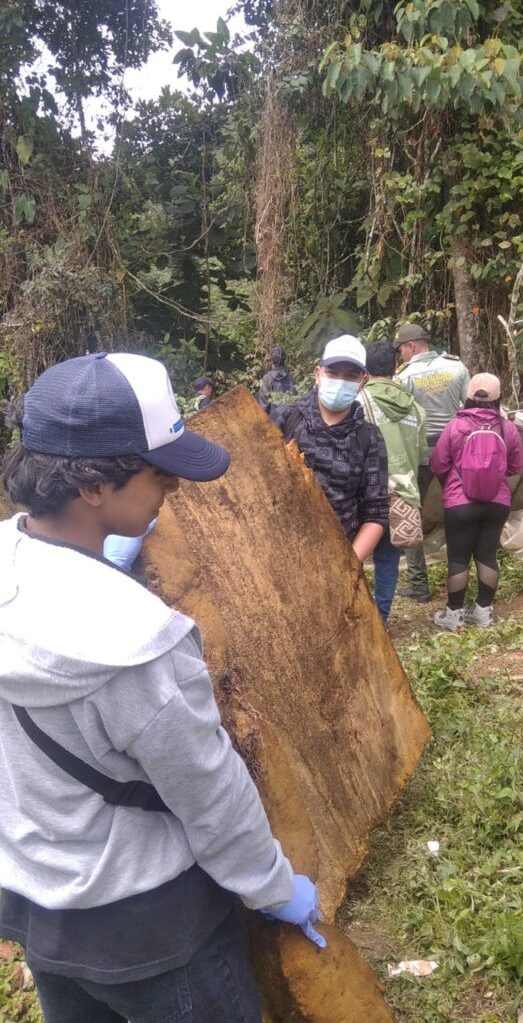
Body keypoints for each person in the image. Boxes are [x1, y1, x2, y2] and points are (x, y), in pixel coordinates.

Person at [0, 351, 325, 1023]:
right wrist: (271, 885)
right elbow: (209, 792)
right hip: (157, 930)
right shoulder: (138, 643)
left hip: (41, 914)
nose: (173, 490)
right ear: (92, 484)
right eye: (160, 474)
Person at [271, 335, 389, 561]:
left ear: (362, 381)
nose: (340, 381)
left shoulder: (369, 437)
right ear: (318, 374)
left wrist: (347, 567)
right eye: (333, 373)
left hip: (337, 556)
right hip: (278, 553)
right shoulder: (286, 418)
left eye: (351, 376)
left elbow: (376, 511)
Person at [430, 372, 523, 631]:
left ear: (468, 396)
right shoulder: (507, 428)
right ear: (498, 398)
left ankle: (454, 614)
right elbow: (516, 466)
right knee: (486, 554)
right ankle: (484, 612)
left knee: (458, 558)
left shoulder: (455, 426)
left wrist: (453, 482)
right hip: (497, 503)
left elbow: (438, 462)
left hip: (459, 502)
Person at [394, 322, 470, 603]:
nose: (401, 354)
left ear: (412, 346)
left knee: (411, 515)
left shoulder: (405, 377)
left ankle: (419, 586)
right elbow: (471, 408)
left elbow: (401, 418)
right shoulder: (456, 367)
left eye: (401, 349)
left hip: (422, 455)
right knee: (459, 512)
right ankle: (459, 583)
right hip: (455, 452)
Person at [359, 340, 427, 622]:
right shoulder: (416, 409)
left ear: (364, 369)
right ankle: (381, 618)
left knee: (355, 557)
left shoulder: (358, 403)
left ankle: (358, 616)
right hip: (404, 495)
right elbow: (421, 457)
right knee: (388, 559)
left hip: (366, 496)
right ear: (394, 366)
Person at [258, 346, 297, 413]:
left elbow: (264, 404)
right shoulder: (290, 377)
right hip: (289, 417)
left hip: (273, 418)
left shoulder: (267, 378)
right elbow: (295, 398)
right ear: (284, 360)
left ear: (272, 360)